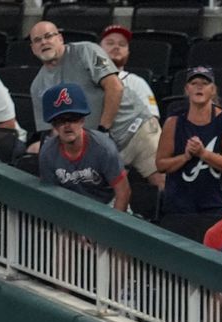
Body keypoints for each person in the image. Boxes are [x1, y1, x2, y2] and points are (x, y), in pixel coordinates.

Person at [29, 21, 163, 190]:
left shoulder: (86, 51)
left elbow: (114, 87)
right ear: (33, 48)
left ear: (60, 38)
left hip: (135, 130)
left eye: (49, 36)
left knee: (163, 183)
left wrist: (103, 131)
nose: (44, 42)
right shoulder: (38, 86)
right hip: (97, 148)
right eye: (38, 40)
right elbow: (52, 131)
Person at [156, 66, 222, 215]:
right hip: (179, 205)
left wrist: (203, 154)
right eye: (194, 83)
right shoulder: (173, 122)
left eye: (205, 83)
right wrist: (185, 157)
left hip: (217, 204)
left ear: (213, 90)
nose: (199, 87)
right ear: (187, 89)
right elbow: (161, 164)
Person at [39, 83, 129, 212]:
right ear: (54, 125)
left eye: (72, 118)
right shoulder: (48, 152)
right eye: (60, 120)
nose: (67, 125)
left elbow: (123, 193)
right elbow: (49, 196)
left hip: (107, 206)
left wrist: (110, 227)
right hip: (71, 209)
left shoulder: (103, 148)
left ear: (82, 120)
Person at [98, 24, 159, 119]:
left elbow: (152, 119)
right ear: (98, 49)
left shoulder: (136, 82)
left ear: (128, 52)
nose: (116, 47)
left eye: (122, 44)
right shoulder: (86, 77)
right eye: (110, 43)